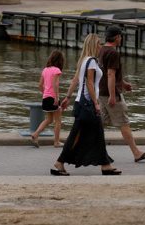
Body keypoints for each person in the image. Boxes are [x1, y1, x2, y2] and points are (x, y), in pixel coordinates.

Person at [50, 33, 121, 176]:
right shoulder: (92, 62)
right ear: (94, 45)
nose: (101, 46)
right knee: (92, 134)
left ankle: (105, 165)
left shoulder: (83, 61)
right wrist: (96, 103)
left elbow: (75, 81)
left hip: (80, 104)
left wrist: (68, 97)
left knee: (85, 134)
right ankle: (61, 162)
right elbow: (89, 83)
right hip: (87, 105)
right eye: (99, 43)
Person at [98, 24, 145, 163]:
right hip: (110, 93)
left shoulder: (102, 50)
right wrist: (113, 95)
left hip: (101, 91)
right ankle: (136, 153)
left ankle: (91, 149)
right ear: (117, 37)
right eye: (120, 36)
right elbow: (110, 74)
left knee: (99, 123)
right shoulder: (113, 53)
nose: (121, 38)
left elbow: (107, 73)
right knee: (124, 123)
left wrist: (123, 83)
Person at [30, 49, 64, 148]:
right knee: (58, 121)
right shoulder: (57, 70)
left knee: (49, 120)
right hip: (53, 98)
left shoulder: (45, 70)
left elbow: (40, 85)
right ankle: (56, 142)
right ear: (60, 60)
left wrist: (45, 93)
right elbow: (56, 84)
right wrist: (56, 98)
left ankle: (35, 134)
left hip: (45, 98)